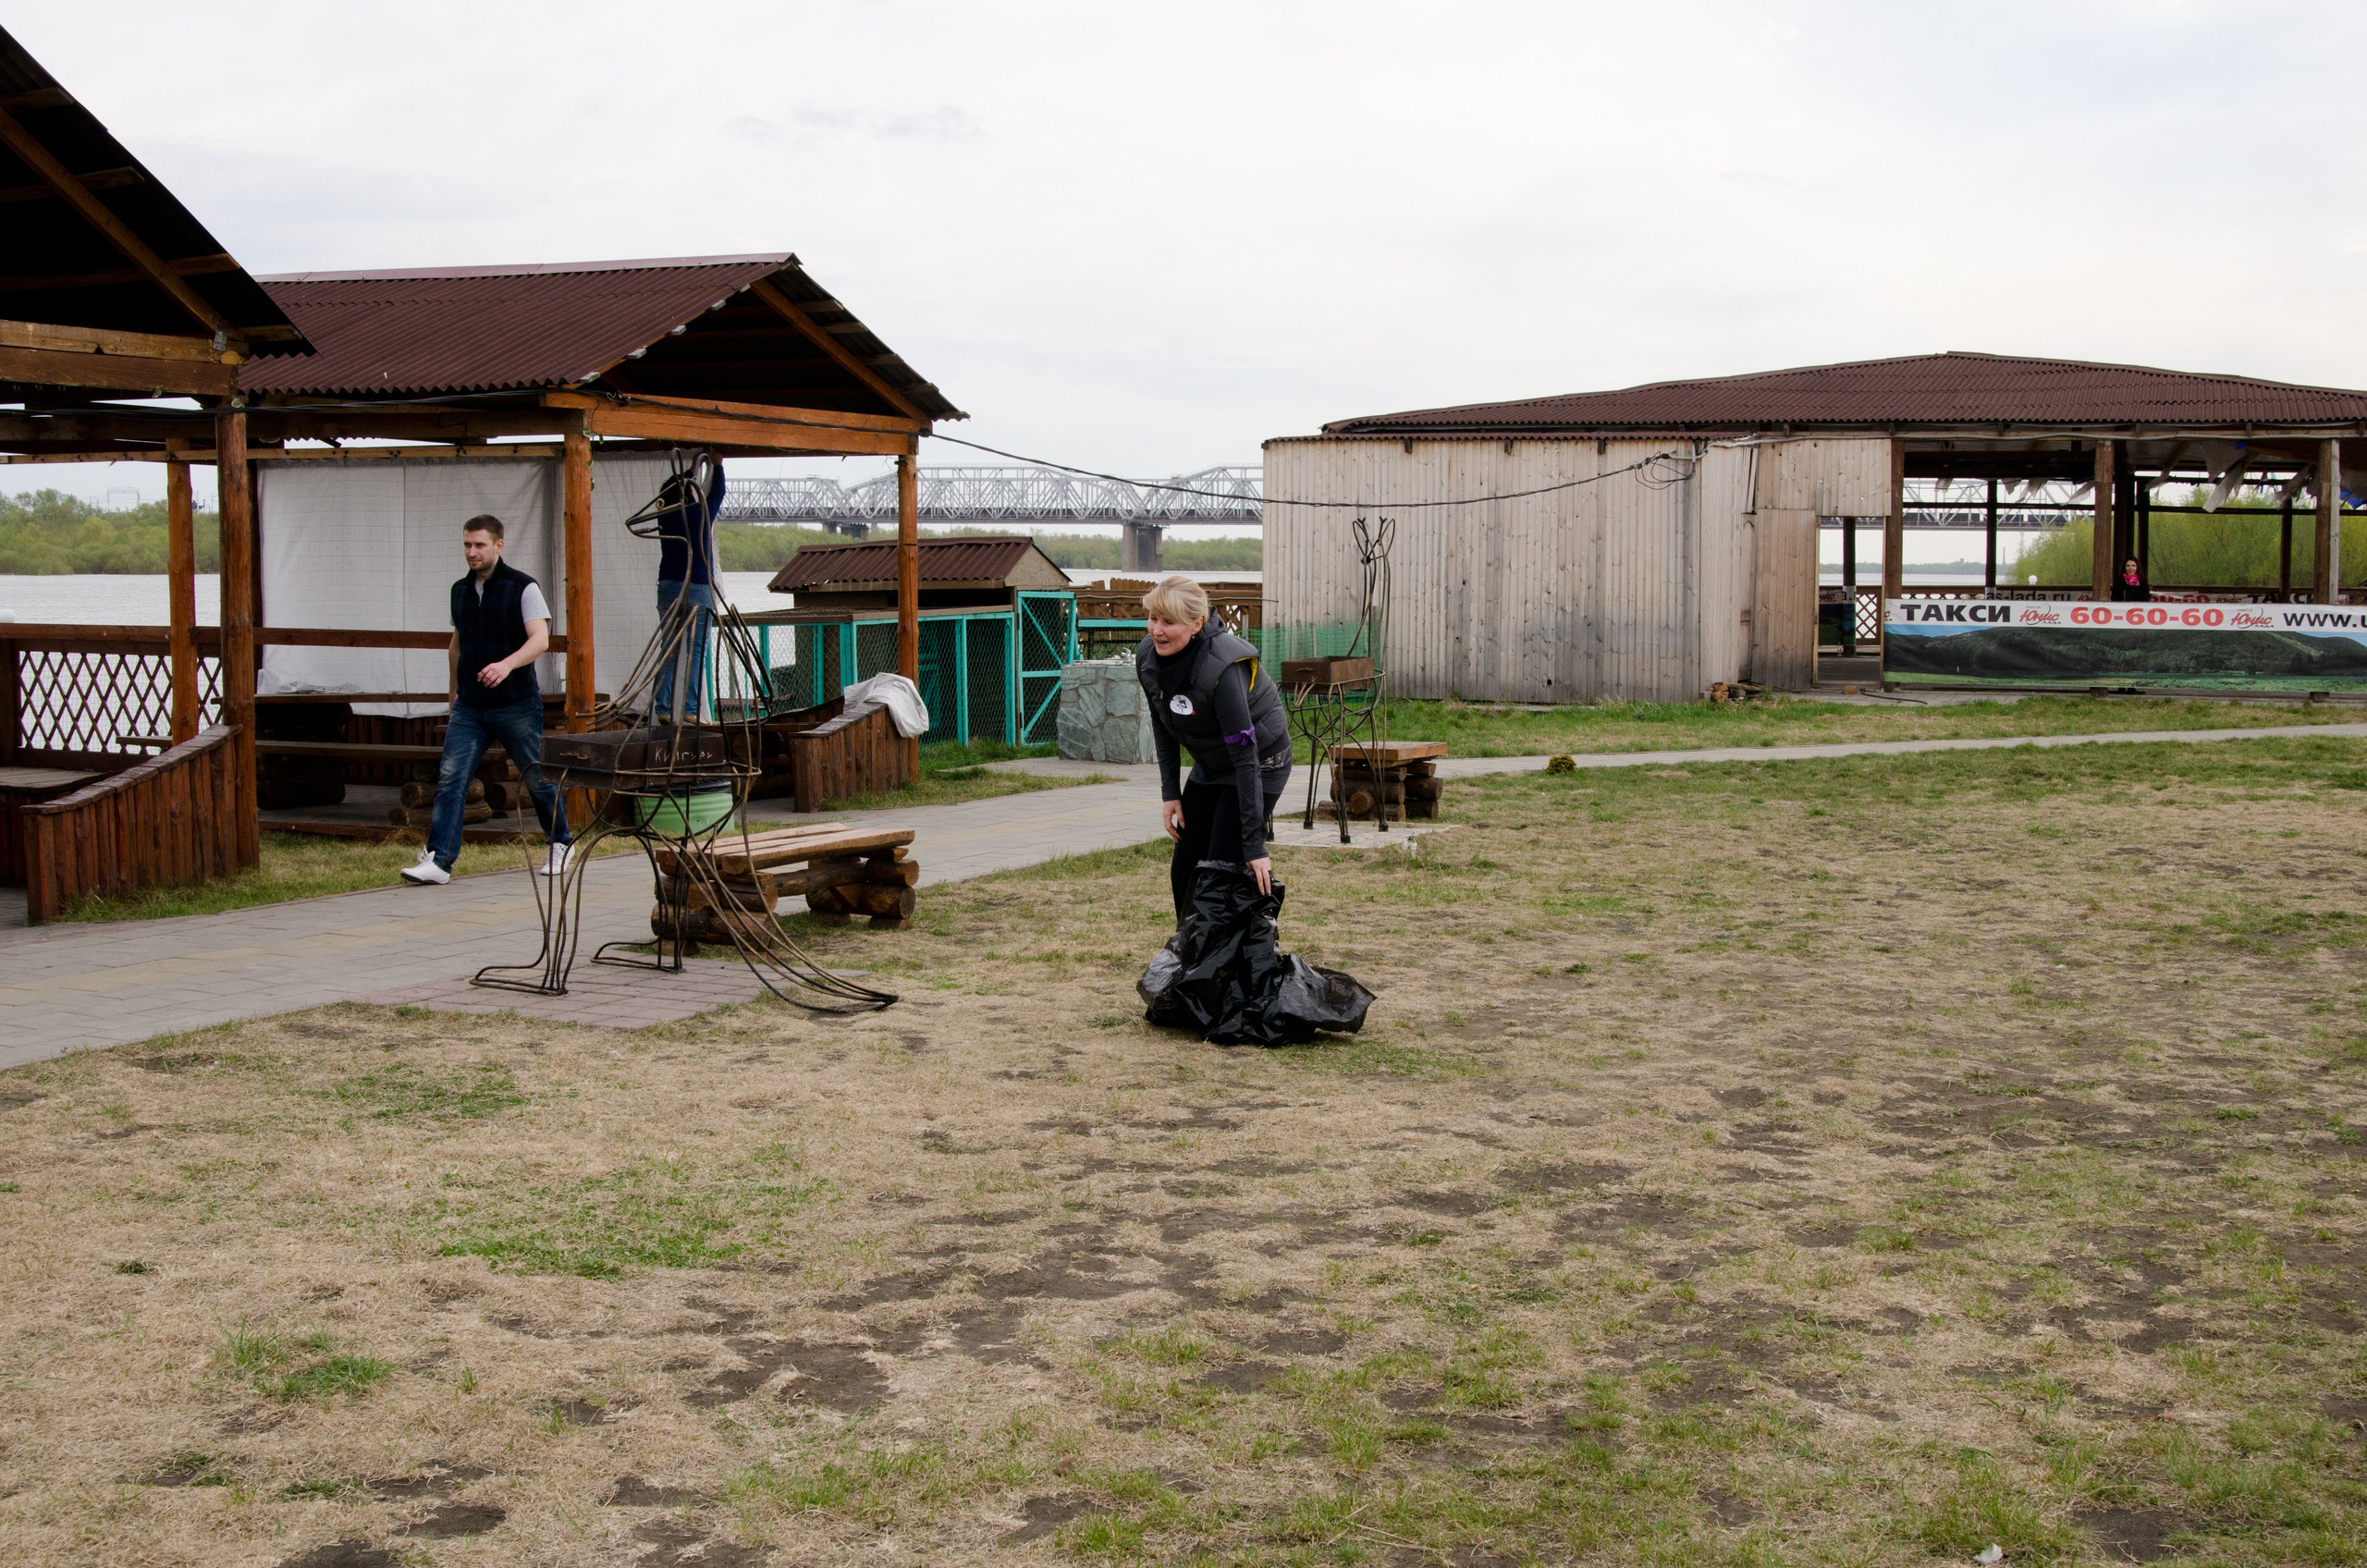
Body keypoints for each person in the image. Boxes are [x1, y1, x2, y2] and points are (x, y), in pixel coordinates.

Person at [399, 514, 575, 886]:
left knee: (537, 778)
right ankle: (439, 861)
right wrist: (453, 695)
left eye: (479, 544)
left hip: (516, 703)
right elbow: (456, 646)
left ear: (499, 545)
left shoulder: (523, 587)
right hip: (470, 707)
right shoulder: (459, 590)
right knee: (451, 779)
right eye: (467, 544)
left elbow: (540, 639)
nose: (472, 552)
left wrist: (506, 665)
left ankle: (561, 842)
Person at [1138, 574, 1293, 925]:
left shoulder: (1223, 669)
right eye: (1153, 618)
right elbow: (1162, 722)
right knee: (1186, 866)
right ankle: (1190, 948)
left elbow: (1246, 757)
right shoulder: (1148, 656)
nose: (1157, 630)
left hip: (1260, 763)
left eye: (1168, 622)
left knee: (1221, 869)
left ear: (1197, 624)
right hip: (1212, 764)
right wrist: (1170, 792)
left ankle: (1231, 953)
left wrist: (1254, 845)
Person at [652, 462, 723, 720]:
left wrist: (689, 471)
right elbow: (717, 493)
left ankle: (663, 707)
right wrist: (718, 466)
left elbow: (671, 489)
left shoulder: (664, 517)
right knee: (696, 650)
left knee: (668, 648)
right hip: (698, 585)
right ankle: (691, 710)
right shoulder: (700, 513)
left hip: (668, 587)